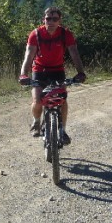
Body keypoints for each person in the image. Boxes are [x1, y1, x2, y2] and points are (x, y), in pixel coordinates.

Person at [19, 7, 86, 144]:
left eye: (55, 19)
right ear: (43, 19)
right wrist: (23, 75)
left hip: (57, 71)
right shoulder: (36, 34)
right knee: (37, 100)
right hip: (39, 70)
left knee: (62, 101)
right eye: (48, 18)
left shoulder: (65, 34)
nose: (51, 21)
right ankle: (37, 121)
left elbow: (74, 53)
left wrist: (80, 72)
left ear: (59, 21)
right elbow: (28, 55)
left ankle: (62, 131)